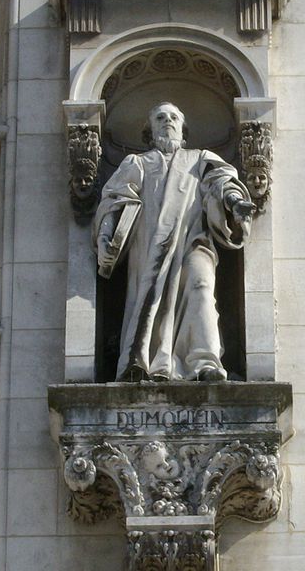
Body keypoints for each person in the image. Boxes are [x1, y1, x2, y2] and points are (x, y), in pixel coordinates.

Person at [93, 102, 255, 381]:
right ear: (150, 131)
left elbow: (222, 182)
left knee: (202, 285)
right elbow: (115, 201)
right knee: (151, 301)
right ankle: (149, 361)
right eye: (160, 117)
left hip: (193, 241)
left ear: (183, 128)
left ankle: (206, 363)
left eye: (174, 117)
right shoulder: (138, 163)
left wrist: (235, 202)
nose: (167, 121)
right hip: (148, 247)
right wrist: (106, 235)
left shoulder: (200, 159)